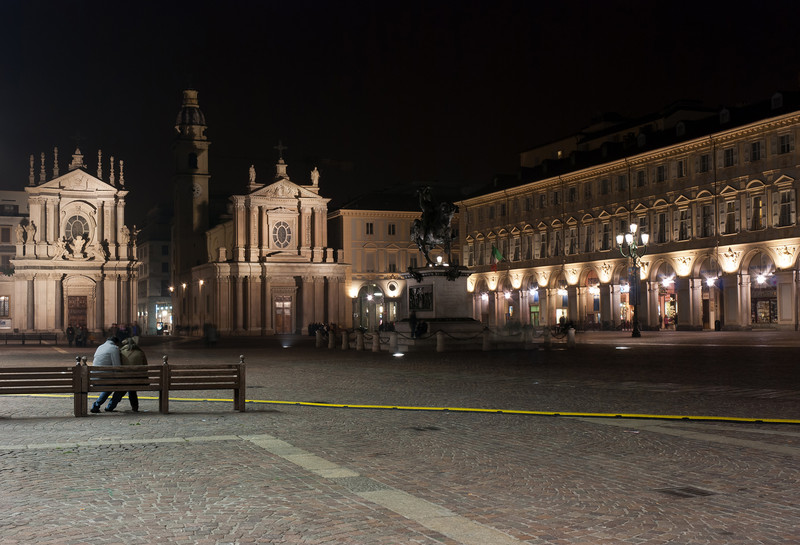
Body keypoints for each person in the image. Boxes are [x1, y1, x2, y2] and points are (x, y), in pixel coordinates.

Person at [106, 338, 148, 412]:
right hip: (139, 380)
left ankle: (110, 407)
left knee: (122, 389)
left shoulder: (121, 352)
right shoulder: (141, 352)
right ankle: (135, 407)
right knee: (132, 389)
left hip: (125, 379)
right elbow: (145, 366)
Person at [90, 337, 122, 413]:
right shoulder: (114, 348)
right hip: (103, 379)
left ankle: (96, 405)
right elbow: (117, 366)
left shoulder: (100, 347)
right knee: (121, 387)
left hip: (94, 378)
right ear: (116, 343)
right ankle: (110, 406)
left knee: (110, 386)